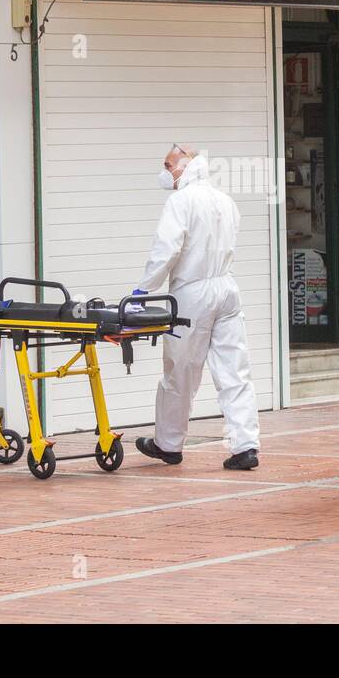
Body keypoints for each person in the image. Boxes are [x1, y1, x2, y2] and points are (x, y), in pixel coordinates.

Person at [133, 145, 261, 470]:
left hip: (193, 294)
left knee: (180, 371)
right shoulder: (225, 201)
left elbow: (166, 250)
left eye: (167, 165)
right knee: (235, 371)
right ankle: (245, 446)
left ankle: (169, 444)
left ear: (182, 168)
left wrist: (142, 291)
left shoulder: (181, 201)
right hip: (227, 289)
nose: (165, 172)